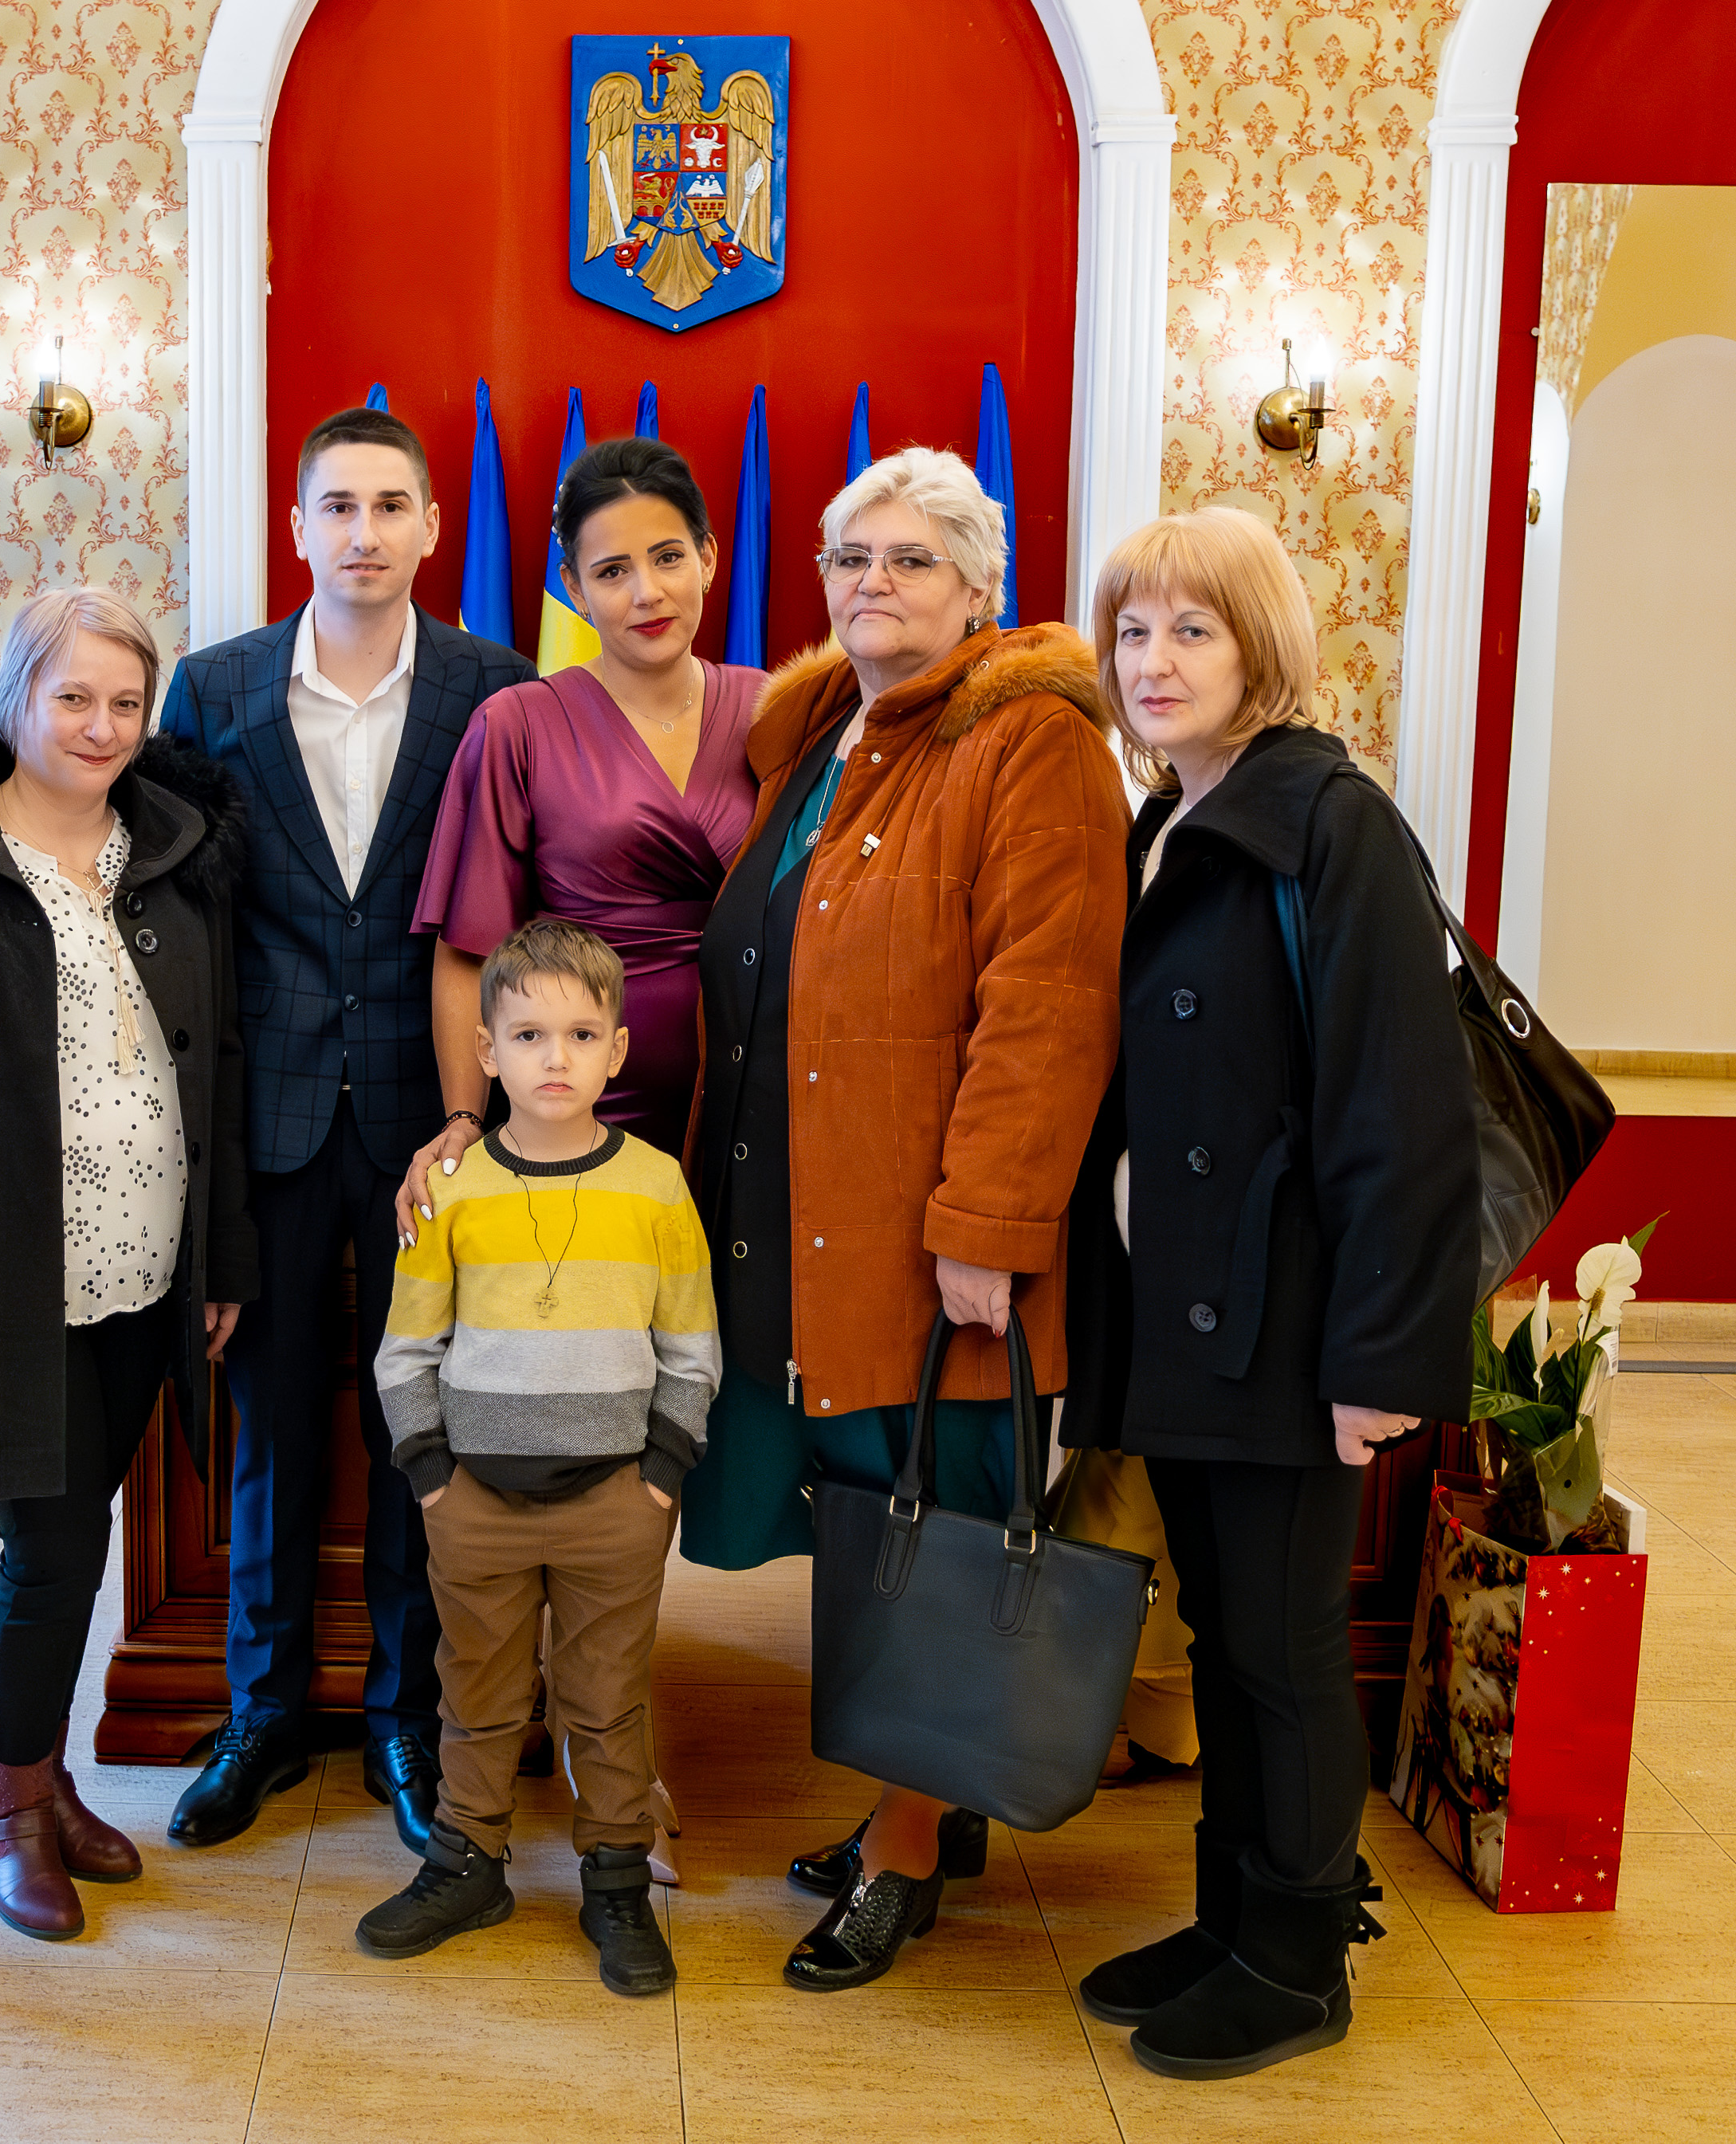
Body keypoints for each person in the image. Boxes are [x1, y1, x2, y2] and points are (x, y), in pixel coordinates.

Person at [677, 445, 1126, 1992]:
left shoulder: (1032, 739)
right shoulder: (823, 738)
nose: (874, 581)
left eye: (911, 558)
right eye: (850, 558)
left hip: (933, 1243)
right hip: (797, 1219)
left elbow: (1047, 1006)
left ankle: (908, 1849)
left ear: (978, 588)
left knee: (932, 1515)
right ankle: (925, 1789)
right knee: (872, 1519)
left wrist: (988, 1224)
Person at [1063, 506, 1477, 2080]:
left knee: (1285, 1645)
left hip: (1291, 1328)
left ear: (1261, 650)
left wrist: (1377, 1359)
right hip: (1188, 1318)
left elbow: (1399, 1113)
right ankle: (1234, 1917)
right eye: (1132, 630)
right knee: (1225, 1629)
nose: (1152, 660)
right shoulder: (1169, 819)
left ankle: (1299, 1961)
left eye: (1192, 629)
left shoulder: (1330, 822)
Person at [159, 407, 535, 1857]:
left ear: (431, 525)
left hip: (430, 1119)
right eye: (336, 505)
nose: (362, 531)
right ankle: (258, 1712)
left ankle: (402, 1716)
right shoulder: (213, 687)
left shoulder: (497, 690)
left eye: (389, 504)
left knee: (410, 1426)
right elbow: (176, 908)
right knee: (268, 1427)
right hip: (264, 1115)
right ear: (298, 526)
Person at [0, 587, 256, 1942]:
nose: (99, 725)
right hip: (7, 1268)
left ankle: (43, 1774)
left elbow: (218, 1059)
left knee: (79, 1533)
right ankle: (7, 1806)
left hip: (148, 1256)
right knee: (49, 1546)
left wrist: (219, 1257)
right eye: (71, 696)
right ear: (15, 697)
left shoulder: (174, 848)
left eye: (124, 702)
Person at [356, 917, 709, 1997]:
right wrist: (432, 1475)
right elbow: (405, 1350)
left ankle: (614, 1878)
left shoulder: (656, 1186)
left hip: (616, 1501)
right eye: (527, 1035)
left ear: (617, 1049)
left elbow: (690, 1349)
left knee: (606, 1699)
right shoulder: (448, 1188)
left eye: (580, 1034)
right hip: (476, 1500)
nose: (554, 1058)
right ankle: (467, 1861)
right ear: (486, 1050)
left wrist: (659, 1475)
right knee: (476, 1692)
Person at [403, 436, 765, 1168]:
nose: (646, 593)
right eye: (611, 571)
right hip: (579, 1111)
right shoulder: (516, 724)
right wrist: (465, 1117)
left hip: (755, 1094)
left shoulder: (774, 709)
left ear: (708, 558)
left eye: (668, 557)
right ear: (572, 587)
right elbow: (468, 948)